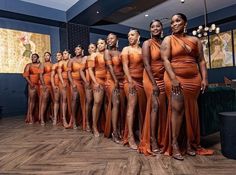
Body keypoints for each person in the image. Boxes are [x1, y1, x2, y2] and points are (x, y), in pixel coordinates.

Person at [161, 13, 212, 160]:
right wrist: (173, 78)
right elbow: (165, 60)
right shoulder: (168, 39)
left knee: (191, 110)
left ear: (185, 23)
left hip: (194, 79)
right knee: (177, 109)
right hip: (175, 78)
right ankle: (175, 143)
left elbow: (201, 60)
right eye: (172, 22)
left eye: (177, 21)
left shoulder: (195, 40)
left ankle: (190, 143)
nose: (174, 24)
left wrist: (205, 78)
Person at [139, 20, 167, 155]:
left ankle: (162, 137)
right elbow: (146, 64)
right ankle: (152, 139)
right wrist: (154, 84)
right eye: (152, 26)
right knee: (155, 106)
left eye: (158, 26)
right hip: (150, 79)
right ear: (150, 29)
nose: (155, 28)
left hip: (163, 78)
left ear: (162, 28)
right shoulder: (147, 43)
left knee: (163, 108)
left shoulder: (165, 43)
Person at [121, 29, 146, 149]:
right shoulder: (126, 49)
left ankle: (142, 133)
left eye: (132, 35)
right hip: (130, 81)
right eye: (128, 35)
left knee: (142, 109)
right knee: (132, 106)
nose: (130, 37)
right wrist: (130, 81)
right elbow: (125, 66)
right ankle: (130, 136)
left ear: (138, 36)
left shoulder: (142, 50)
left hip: (142, 82)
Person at [104, 33, 126, 143]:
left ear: (117, 39)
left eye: (112, 38)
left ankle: (122, 129)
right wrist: (116, 81)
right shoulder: (107, 52)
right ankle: (114, 132)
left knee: (122, 105)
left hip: (122, 80)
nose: (109, 40)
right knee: (116, 103)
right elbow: (110, 67)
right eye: (108, 39)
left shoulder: (121, 52)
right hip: (111, 80)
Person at [88, 39, 107, 137]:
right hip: (98, 79)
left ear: (105, 44)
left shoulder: (108, 54)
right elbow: (90, 70)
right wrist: (95, 82)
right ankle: (94, 127)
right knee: (97, 102)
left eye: (102, 43)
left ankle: (105, 126)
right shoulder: (94, 55)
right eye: (98, 44)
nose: (99, 45)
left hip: (108, 80)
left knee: (106, 104)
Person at [68, 45, 86, 129]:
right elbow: (68, 73)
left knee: (83, 101)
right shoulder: (71, 60)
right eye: (75, 49)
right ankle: (74, 120)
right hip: (74, 81)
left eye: (78, 49)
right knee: (75, 99)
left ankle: (83, 121)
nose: (76, 51)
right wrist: (72, 83)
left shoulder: (85, 59)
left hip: (83, 82)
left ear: (82, 50)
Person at [80, 43, 97, 132]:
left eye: (92, 47)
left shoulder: (97, 56)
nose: (90, 49)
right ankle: (87, 123)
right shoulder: (86, 58)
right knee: (89, 101)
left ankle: (96, 124)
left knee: (97, 103)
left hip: (97, 79)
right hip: (88, 80)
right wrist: (86, 81)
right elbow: (81, 71)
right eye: (89, 47)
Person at [22, 53, 41, 124]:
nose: (33, 58)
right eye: (32, 57)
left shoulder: (40, 65)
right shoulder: (28, 65)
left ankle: (38, 117)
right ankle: (30, 117)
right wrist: (30, 84)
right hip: (32, 85)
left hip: (39, 85)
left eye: (35, 57)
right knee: (32, 101)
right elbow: (25, 76)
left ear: (37, 58)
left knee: (39, 101)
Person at [58, 50, 71, 128]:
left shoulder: (70, 61)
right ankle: (64, 119)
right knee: (64, 99)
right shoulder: (61, 63)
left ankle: (70, 118)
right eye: (63, 54)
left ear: (69, 54)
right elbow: (59, 74)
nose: (64, 55)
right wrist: (63, 82)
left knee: (70, 100)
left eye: (65, 53)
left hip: (70, 82)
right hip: (63, 82)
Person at [39, 52, 53, 125]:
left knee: (51, 102)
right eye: (45, 56)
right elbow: (40, 75)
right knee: (44, 101)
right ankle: (42, 119)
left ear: (50, 56)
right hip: (46, 84)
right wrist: (43, 85)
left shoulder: (52, 64)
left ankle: (51, 116)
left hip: (52, 84)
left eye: (47, 55)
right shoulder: (42, 64)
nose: (46, 57)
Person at [51, 52, 63, 125]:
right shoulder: (55, 65)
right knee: (56, 100)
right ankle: (55, 118)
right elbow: (52, 76)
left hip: (64, 83)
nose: (57, 57)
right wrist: (53, 85)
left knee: (64, 101)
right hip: (56, 83)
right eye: (56, 55)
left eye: (59, 55)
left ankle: (63, 118)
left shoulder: (66, 62)